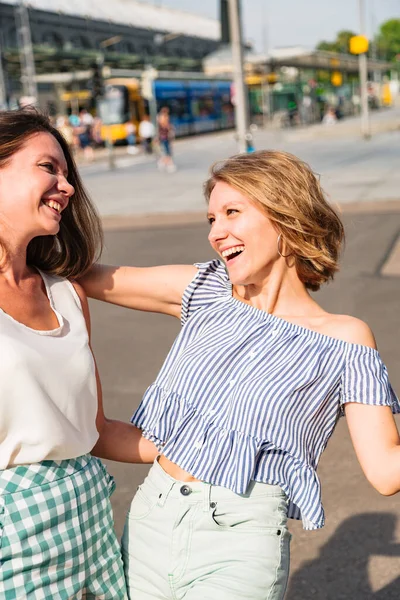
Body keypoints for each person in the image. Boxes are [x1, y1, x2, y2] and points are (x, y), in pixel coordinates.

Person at [80, 150, 400, 600]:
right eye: (212, 218)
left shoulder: (345, 341)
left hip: (240, 542)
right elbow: (83, 276)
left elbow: (386, 469)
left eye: (233, 212)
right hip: (150, 521)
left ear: (286, 218)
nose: (216, 232)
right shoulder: (206, 288)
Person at [0, 108, 158, 598]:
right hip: (12, 532)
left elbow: (95, 431)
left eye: (68, 175)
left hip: (87, 522)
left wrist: (199, 456)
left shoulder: (67, 294)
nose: (67, 187)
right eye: (49, 167)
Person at [156, 106, 176, 173]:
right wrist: (169, 127)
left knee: (167, 151)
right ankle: (169, 165)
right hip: (164, 137)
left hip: (166, 137)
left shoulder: (161, 117)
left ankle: (162, 162)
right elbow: (164, 126)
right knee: (167, 152)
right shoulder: (162, 117)